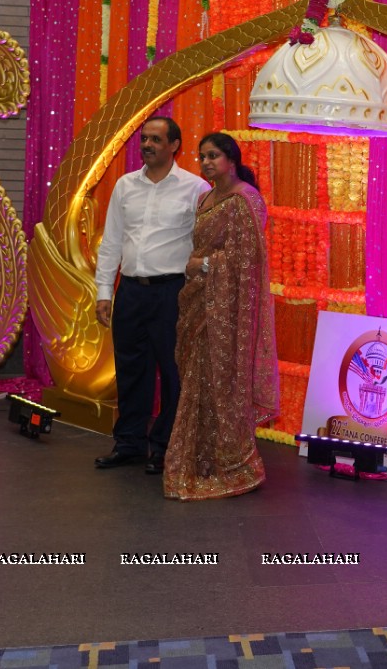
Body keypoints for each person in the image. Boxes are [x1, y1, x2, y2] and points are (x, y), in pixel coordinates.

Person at [164, 132, 279, 500]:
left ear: (232, 159)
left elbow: (248, 261)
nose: (206, 162)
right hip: (199, 303)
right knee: (197, 381)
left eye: (213, 156)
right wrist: (197, 268)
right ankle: (199, 460)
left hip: (230, 311)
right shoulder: (205, 198)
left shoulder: (246, 200)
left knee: (223, 380)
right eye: (202, 157)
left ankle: (234, 463)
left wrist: (205, 264)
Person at [93, 116, 209, 473]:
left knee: (173, 372)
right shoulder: (125, 186)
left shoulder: (196, 188)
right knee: (130, 370)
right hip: (130, 290)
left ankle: (165, 447)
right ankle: (129, 443)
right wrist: (103, 292)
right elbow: (111, 242)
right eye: (144, 139)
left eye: (156, 139)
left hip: (172, 293)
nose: (147, 145)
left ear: (174, 145)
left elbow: (204, 243)